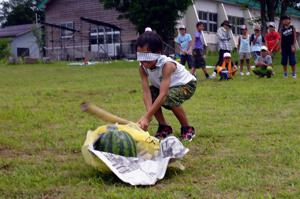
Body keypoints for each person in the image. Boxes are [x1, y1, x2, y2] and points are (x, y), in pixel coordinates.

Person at [136, 31, 197, 141]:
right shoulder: (142, 68)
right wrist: (148, 117)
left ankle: (187, 128)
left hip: (187, 85)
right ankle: (164, 127)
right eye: (140, 55)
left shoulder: (167, 65)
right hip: (167, 88)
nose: (143, 60)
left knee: (169, 96)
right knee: (152, 92)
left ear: (158, 53)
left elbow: (163, 94)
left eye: (147, 55)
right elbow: (146, 92)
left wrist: (147, 117)